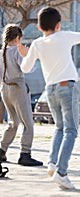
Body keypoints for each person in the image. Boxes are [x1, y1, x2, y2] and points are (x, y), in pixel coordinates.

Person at [18, 7, 80, 189]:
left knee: (60, 128)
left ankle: (53, 163)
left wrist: (26, 55)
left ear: (39, 27)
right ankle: (61, 172)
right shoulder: (63, 36)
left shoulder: (38, 44)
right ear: (58, 25)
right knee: (71, 130)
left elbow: (25, 68)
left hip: (50, 89)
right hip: (66, 87)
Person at [0, 24, 43, 166]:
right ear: (18, 38)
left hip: (5, 88)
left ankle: (1, 151)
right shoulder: (17, 52)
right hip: (18, 88)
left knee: (13, 123)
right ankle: (25, 154)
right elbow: (29, 68)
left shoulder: (1, 53)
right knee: (28, 123)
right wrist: (28, 55)